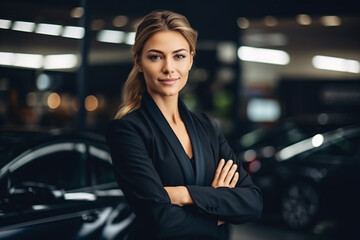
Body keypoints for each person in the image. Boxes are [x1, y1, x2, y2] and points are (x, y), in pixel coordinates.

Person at [106, 10, 262, 240]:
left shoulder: (207, 127)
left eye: (178, 56)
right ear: (138, 61)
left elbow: (253, 202)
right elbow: (160, 220)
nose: (169, 68)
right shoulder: (128, 131)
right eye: (156, 56)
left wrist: (183, 194)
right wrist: (218, 206)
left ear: (191, 58)